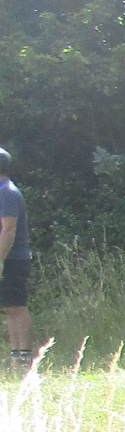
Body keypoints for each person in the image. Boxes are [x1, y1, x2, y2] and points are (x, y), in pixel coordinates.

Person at [0, 147, 32, 367]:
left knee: (17, 306)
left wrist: (0, 260)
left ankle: (25, 356)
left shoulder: (7, 192)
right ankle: (16, 356)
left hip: (13, 259)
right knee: (7, 307)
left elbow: (9, 229)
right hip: (6, 258)